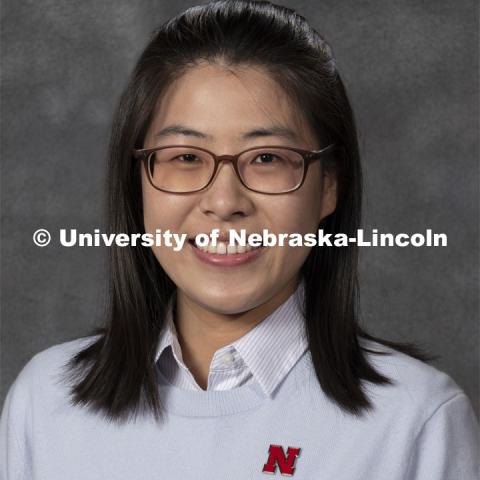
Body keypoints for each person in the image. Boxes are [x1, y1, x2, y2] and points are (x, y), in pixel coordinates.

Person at [1, 1, 478, 478]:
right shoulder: (45, 405)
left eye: (267, 158)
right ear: (137, 184)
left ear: (329, 185)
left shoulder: (416, 421)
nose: (225, 201)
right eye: (186, 157)